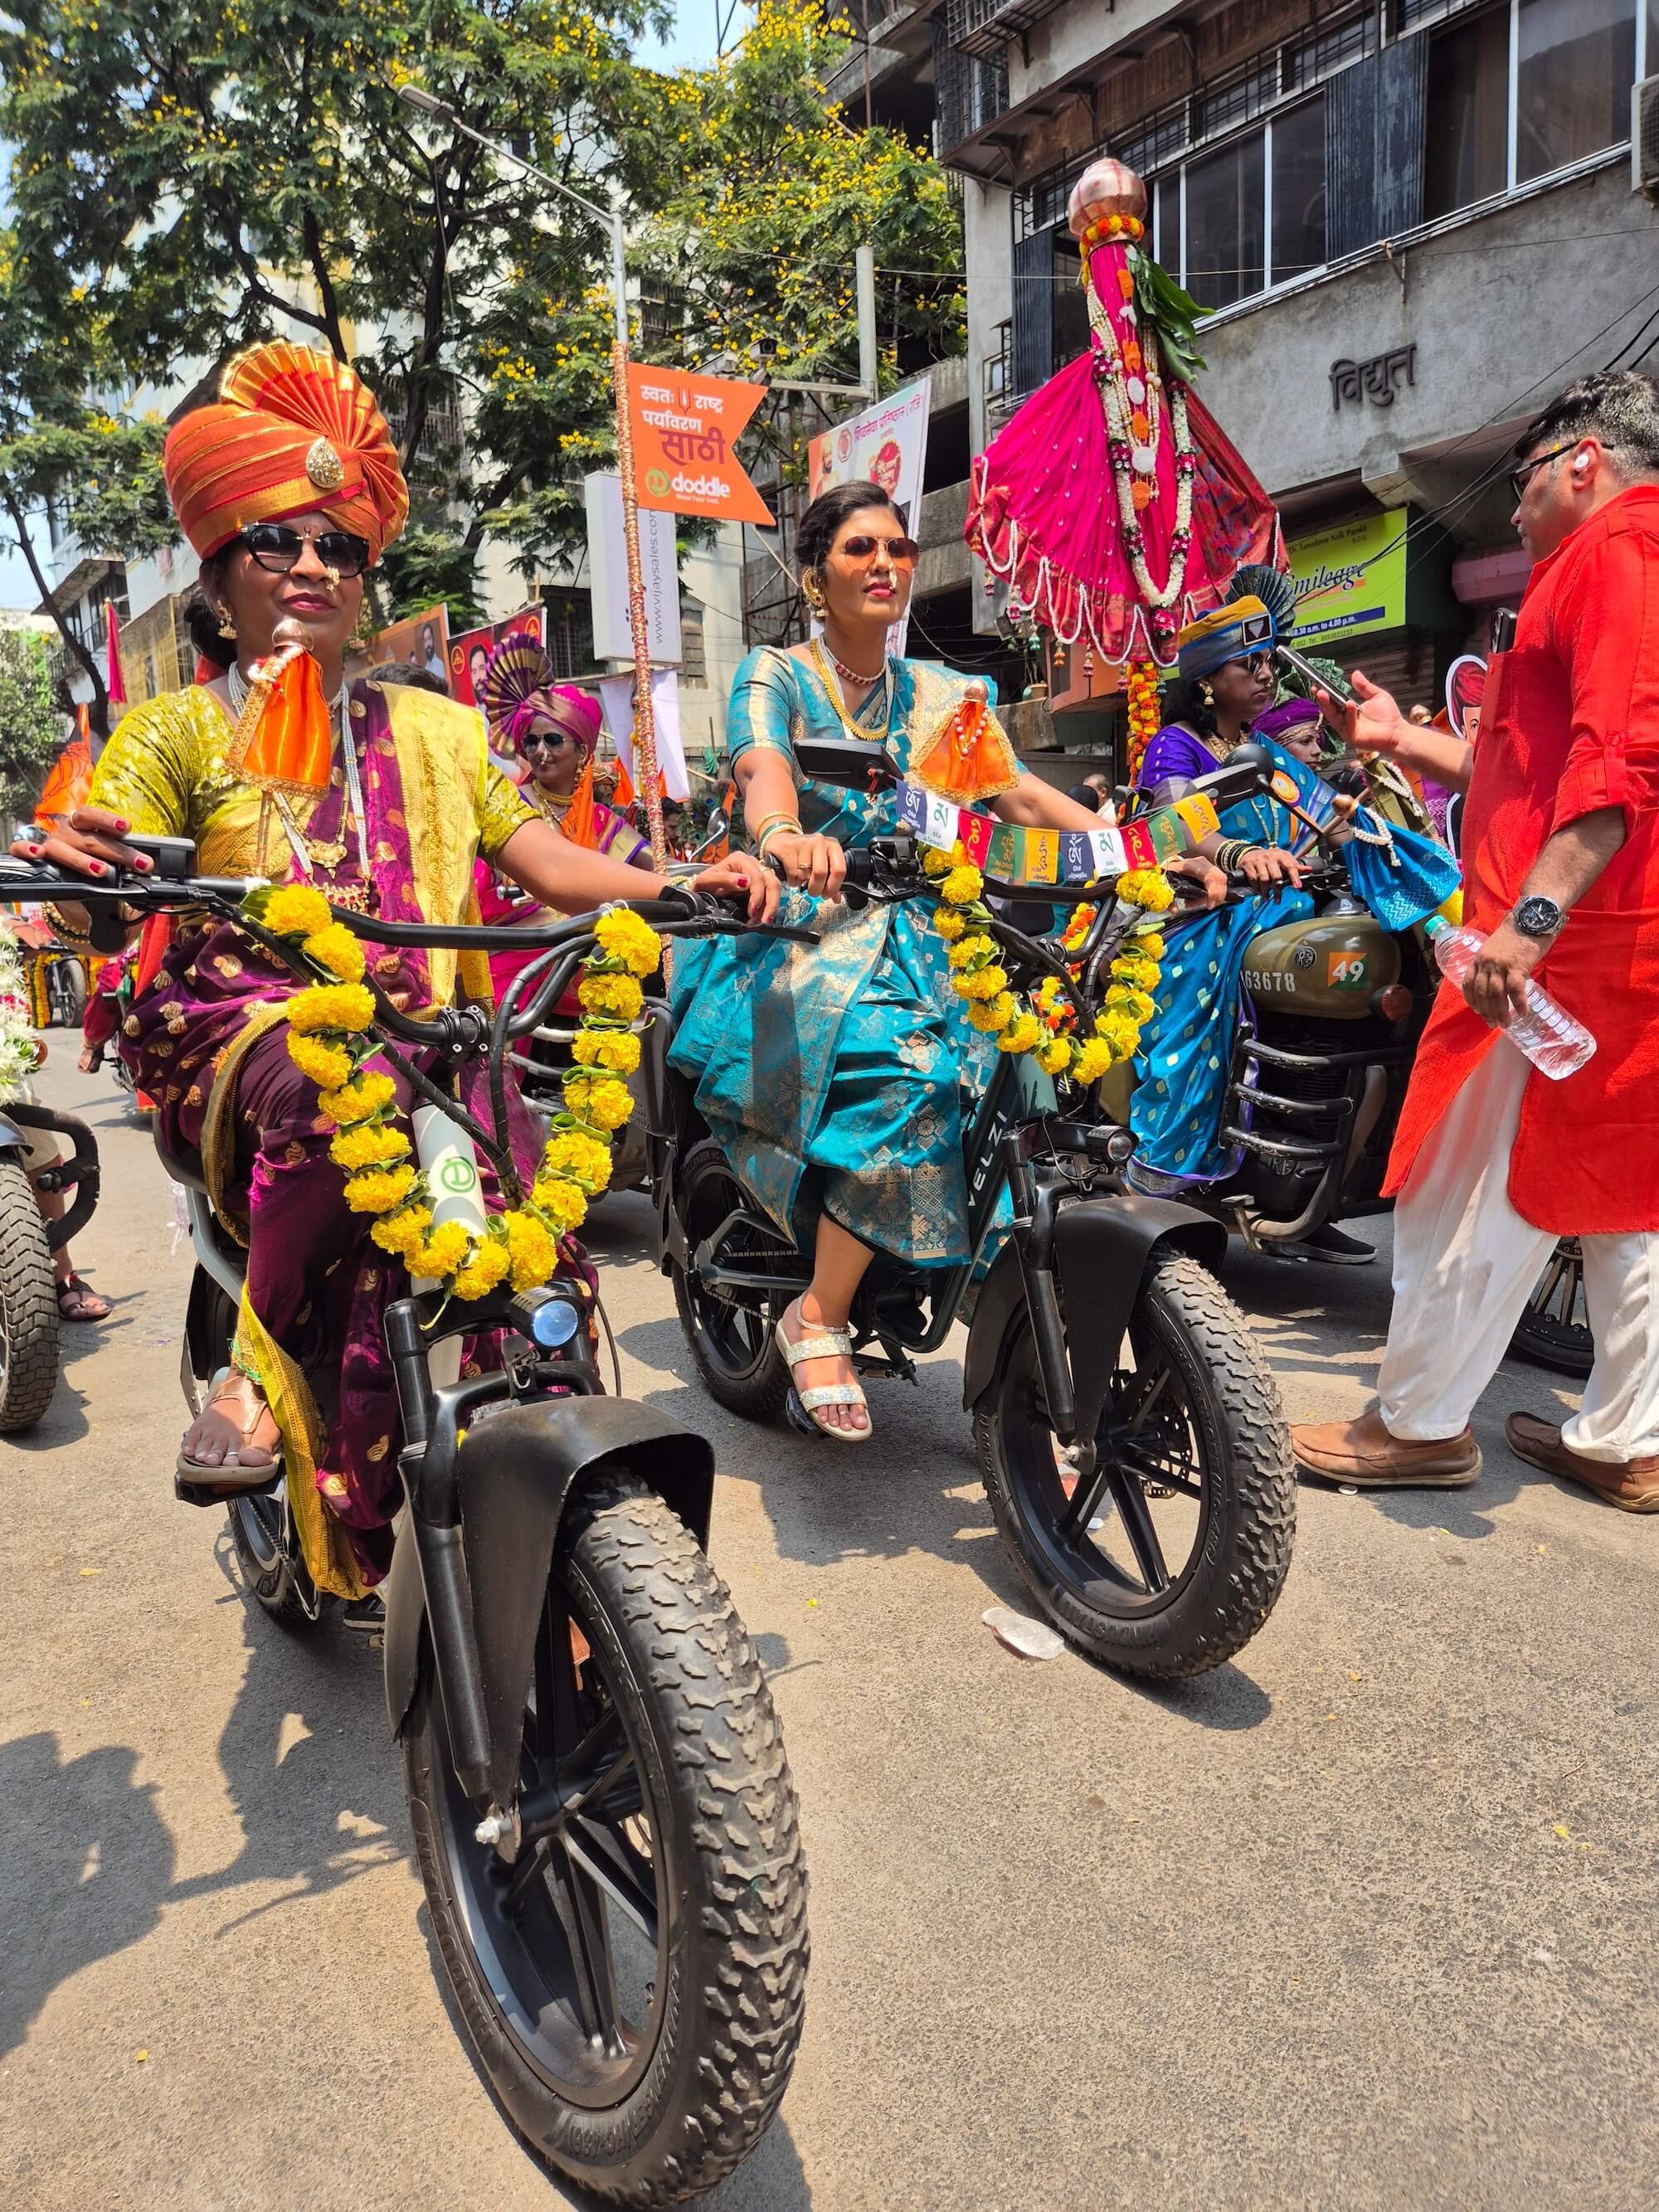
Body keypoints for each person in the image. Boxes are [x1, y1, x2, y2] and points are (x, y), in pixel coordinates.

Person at [12, 341, 773, 1592]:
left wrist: (677, 883)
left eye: (341, 547)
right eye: (278, 540)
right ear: (219, 572)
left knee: (530, 1203)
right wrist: (89, 881)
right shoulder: (169, 731)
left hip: (426, 1036)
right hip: (239, 1034)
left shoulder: (438, 724)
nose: (313, 565)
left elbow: (543, 856)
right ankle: (264, 1376)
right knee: (328, 1076)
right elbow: (110, 886)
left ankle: (573, 1534)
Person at [668, 479, 1217, 1442]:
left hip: (933, 935)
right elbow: (762, 771)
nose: (883, 564)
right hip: (802, 929)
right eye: (856, 550)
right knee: (913, 1075)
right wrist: (787, 835)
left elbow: (1025, 804)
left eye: (896, 549)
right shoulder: (775, 672)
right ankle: (820, 1314)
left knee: (1040, 1060)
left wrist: (1145, 855)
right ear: (813, 575)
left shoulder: (946, 696)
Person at [1291, 370, 1659, 1508]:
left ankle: (1420, 1421)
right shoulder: (1599, 566)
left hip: (1558, 953)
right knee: (1620, 1198)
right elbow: (1519, 769)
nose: (1511, 507)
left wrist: (1529, 928)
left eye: (1525, 479)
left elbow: (1619, 765)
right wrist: (1402, 736)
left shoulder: (1613, 553)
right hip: (1610, 948)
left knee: (1470, 1181)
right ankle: (1627, 1435)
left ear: (1584, 464)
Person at [472, 639, 653, 1009]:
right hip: (518, 965)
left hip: (587, 963)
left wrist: (699, 881)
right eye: (532, 741)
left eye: (553, 740)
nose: (540, 751)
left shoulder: (605, 823)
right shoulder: (510, 808)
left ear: (583, 751)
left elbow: (658, 872)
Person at [418, 621, 447, 686]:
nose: (427, 644)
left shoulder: (439, 665)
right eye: (425, 640)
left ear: (433, 639)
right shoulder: (425, 668)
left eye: (429, 638)